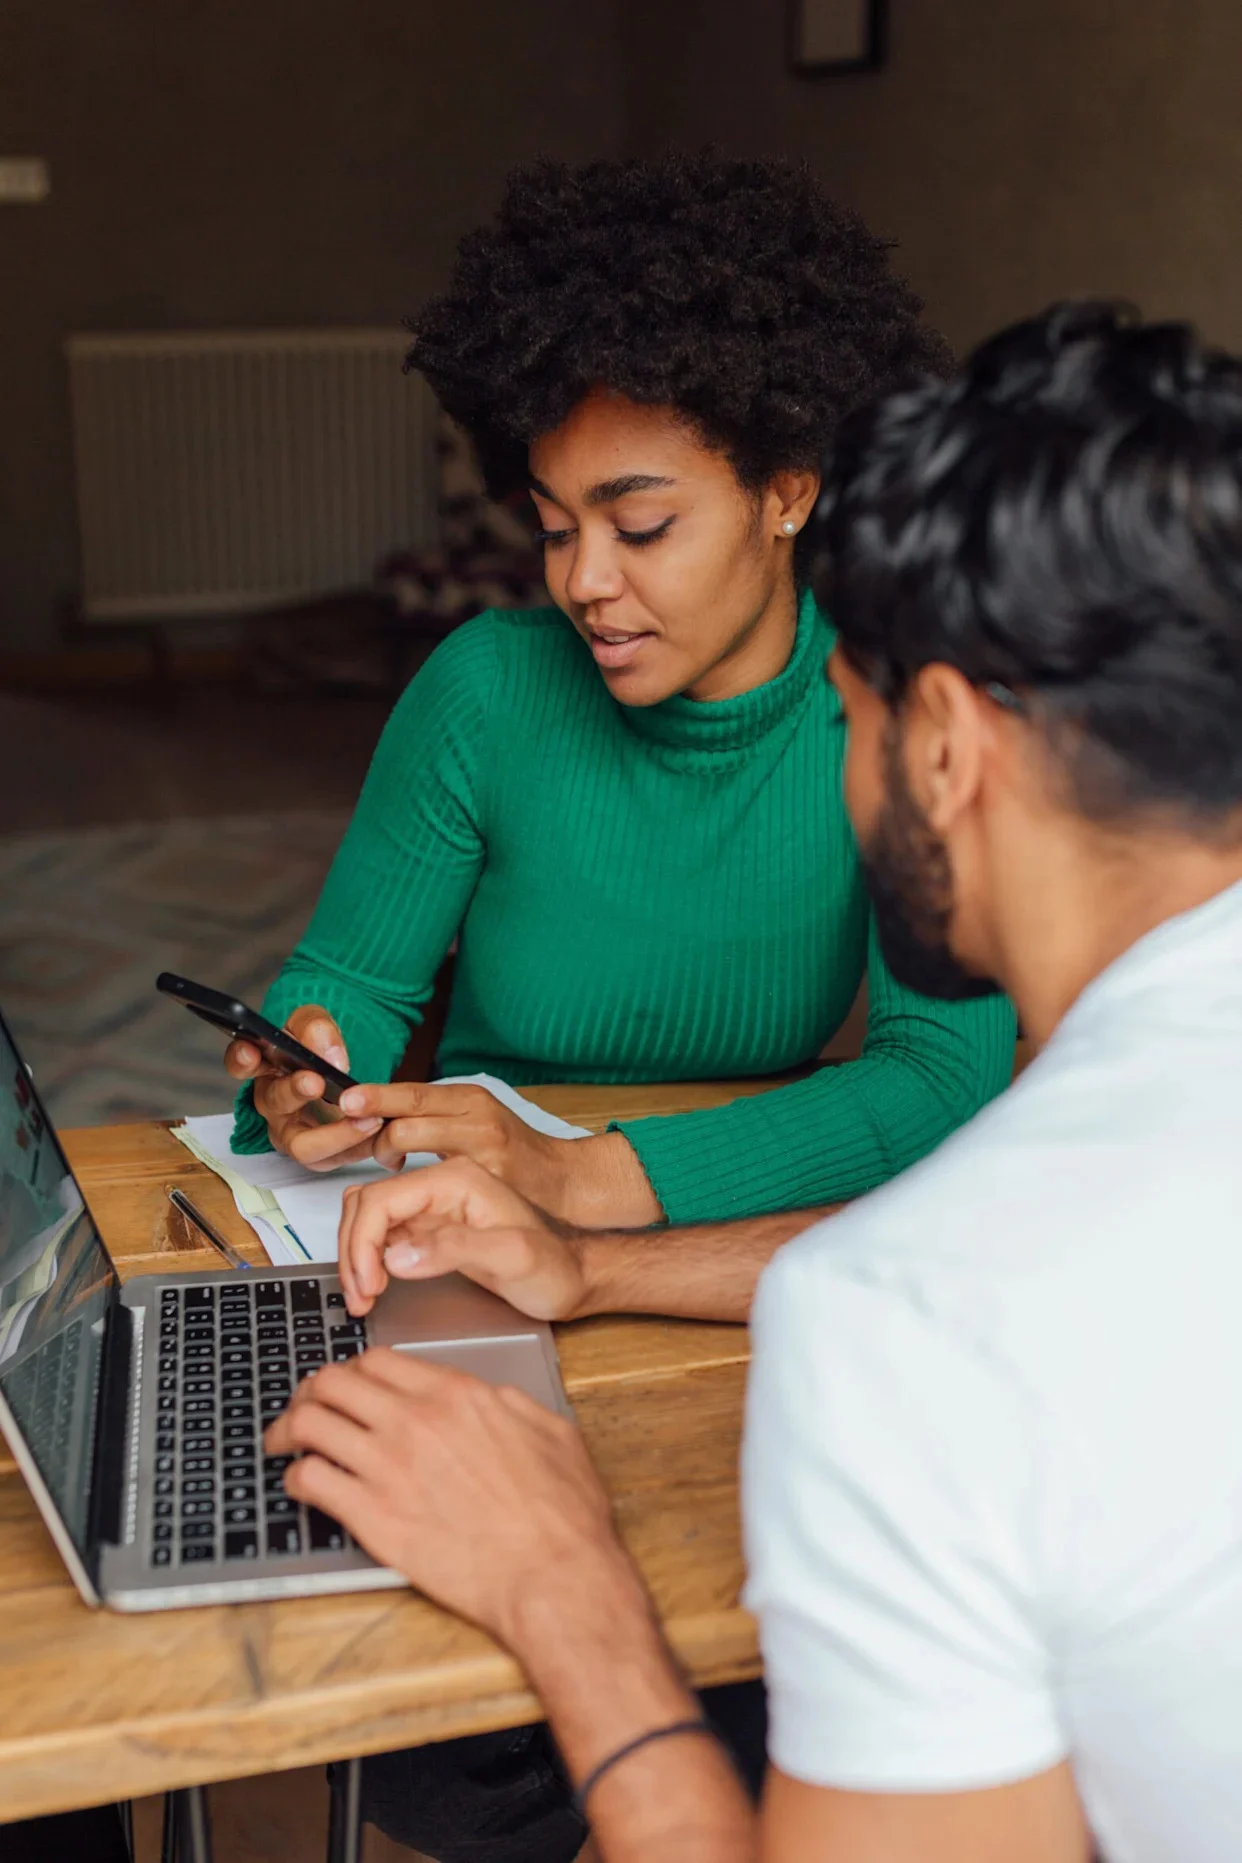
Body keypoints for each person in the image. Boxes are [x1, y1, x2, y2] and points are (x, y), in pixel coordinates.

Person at [269, 303, 1242, 1863]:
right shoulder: (978, 1264)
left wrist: (558, 1579)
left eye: (847, 716)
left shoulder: (904, 1330)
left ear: (940, 747)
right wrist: (588, 1266)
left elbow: (934, 1290)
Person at [226, 150, 1015, 1234]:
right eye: (554, 527)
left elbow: (937, 1073)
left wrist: (589, 1178)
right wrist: (307, 1065)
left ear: (785, 495)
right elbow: (350, 982)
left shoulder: (894, 707)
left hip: (733, 1214)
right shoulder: (485, 689)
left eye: (640, 527)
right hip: (473, 1213)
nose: (582, 582)